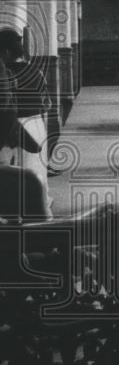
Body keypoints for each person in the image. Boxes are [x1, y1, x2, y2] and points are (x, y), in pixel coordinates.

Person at [0, 30, 47, 222]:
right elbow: (5, 108)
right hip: (14, 130)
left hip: (13, 130)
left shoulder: (6, 68)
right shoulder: (6, 69)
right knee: (28, 179)